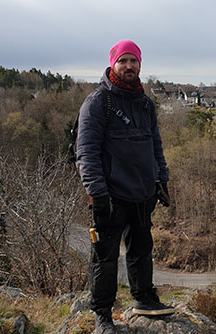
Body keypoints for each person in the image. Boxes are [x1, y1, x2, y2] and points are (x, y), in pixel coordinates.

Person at [76, 40, 174, 334]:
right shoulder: (98, 102)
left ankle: (144, 298)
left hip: (143, 193)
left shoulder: (145, 104)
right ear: (113, 64)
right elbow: (86, 151)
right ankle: (103, 316)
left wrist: (162, 178)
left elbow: (155, 144)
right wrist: (97, 193)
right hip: (110, 195)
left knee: (142, 250)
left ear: (140, 65)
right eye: (123, 61)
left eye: (134, 61)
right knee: (104, 256)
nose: (129, 66)